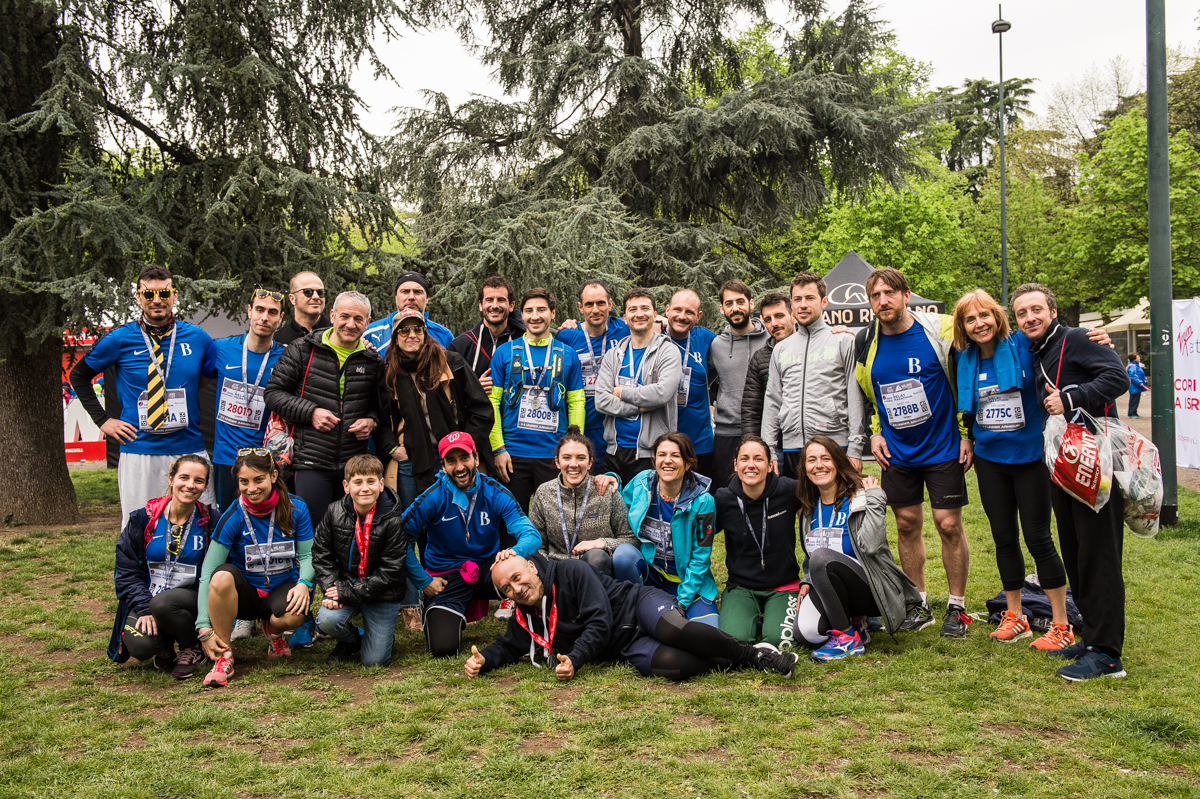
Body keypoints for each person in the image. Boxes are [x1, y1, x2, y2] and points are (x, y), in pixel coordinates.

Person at [1012, 283, 1131, 681]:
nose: (1029, 318)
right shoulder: (1038, 349)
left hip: (1095, 463)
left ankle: (1108, 655)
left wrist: (1072, 397)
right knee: (1077, 552)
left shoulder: (1078, 338)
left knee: (1099, 557)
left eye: (1036, 310)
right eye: (1022, 313)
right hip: (1064, 463)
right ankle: (1093, 637)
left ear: (1053, 311)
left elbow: (1117, 378)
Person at [951, 289, 1074, 652]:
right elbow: (969, 411)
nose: (979, 324)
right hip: (990, 460)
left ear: (998, 316)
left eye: (984, 315)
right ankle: (1015, 616)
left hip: (1031, 458)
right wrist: (967, 438)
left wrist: (1096, 339)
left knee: (1038, 538)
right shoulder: (964, 358)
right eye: (970, 319)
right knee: (1003, 538)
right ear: (963, 326)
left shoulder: (1024, 346)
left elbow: (1065, 344)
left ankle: (1061, 623)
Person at [853, 267, 972, 638]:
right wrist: (874, 433)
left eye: (889, 293)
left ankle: (957, 607)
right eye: (875, 296)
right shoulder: (865, 341)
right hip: (897, 451)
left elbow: (980, 352)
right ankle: (918, 602)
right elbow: (869, 393)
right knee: (906, 524)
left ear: (907, 295)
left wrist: (966, 433)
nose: (883, 301)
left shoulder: (939, 330)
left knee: (948, 524)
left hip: (942, 447)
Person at [465, 552, 800, 681]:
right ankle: (731, 662)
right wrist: (484, 662)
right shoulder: (525, 614)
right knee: (672, 665)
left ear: (533, 569)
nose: (516, 589)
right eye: (506, 589)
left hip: (637, 605)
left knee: (673, 630)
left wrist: (575, 659)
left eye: (518, 578)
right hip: (624, 644)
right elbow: (509, 646)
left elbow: (598, 622)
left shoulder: (571, 571)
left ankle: (754, 655)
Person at [379, 307, 496, 628]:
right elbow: (381, 419)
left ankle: (455, 596)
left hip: (452, 461)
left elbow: (482, 410)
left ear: (426, 332)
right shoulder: (389, 372)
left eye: (418, 329)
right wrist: (393, 447)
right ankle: (410, 603)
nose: (412, 336)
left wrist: (465, 446)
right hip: (411, 463)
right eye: (404, 331)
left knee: (454, 528)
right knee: (408, 530)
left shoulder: (451, 363)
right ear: (395, 336)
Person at [69, 264, 215, 520]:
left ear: (175, 295)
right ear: (138, 297)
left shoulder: (197, 337)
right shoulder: (120, 338)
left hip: (189, 448)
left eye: (164, 293)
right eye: (149, 294)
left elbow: (209, 375)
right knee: (139, 525)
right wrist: (103, 421)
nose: (157, 300)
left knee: (200, 522)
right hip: (140, 450)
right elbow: (78, 376)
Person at [401, 432, 543, 657]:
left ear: (476, 458)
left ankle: (542, 621)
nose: (459, 467)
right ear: (444, 465)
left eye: (464, 458)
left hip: (490, 570)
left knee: (536, 563)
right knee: (443, 648)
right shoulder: (433, 496)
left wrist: (512, 553)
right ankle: (451, 614)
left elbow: (531, 535)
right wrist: (423, 580)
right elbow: (398, 539)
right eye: (451, 461)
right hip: (447, 577)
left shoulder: (494, 491)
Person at [793, 436, 923, 661]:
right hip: (833, 585)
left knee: (822, 558)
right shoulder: (808, 508)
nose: (819, 465)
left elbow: (872, 546)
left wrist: (875, 499)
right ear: (805, 469)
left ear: (838, 462)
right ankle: (856, 624)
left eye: (826, 458)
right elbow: (810, 555)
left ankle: (846, 638)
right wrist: (807, 578)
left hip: (872, 589)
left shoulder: (861, 496)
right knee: (805, 633)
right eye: (811, 460)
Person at [195, 449, 315, 687]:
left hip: (282, 588)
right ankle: (224, 656)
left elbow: (307, 555)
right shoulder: (233, 514)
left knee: (296, 614)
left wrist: (304, 584)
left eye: (258, 479)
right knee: (220, 578)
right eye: (244, 482)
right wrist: (202, 625)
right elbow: (207, 572)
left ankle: (274, 631)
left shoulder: (297, 508)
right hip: (245, 596)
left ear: (273, 475)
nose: (251, 488)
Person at [263, 290, 384, 526]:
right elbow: (273, 394)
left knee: (350, 536)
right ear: (332, 315)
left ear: (367, 322)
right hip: (311, 462)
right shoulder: (302, 349)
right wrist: (310, 412)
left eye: (358, 319)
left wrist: (371, 422)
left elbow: (379, 409)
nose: (351, 324)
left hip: (353, 466)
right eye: (345, 316)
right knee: (311, 535)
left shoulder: (372, 360)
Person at [108, 455, 216, 680]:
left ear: (205, 485)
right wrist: (144, 607)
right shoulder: (143, 519)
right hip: (149, 597)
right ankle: (163, 645)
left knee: (165, 603)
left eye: (199, 480)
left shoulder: (211, 520)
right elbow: (126, 571)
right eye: (184, 477)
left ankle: (191, 648)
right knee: (141, 647)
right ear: (171, 478)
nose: (190, 485)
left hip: (191, 601)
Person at [488, 287, 585, 511]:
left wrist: (570, 451)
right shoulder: (505, 352)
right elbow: (492, 403)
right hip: (512, 454)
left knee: (556, 524)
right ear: (521, 315)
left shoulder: (568, 354)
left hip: (552, 454)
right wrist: (498, 449)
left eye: (542, 310)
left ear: (553, 313)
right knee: (511, 525)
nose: (535, 316)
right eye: (529, 310)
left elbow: (577, 402)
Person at [762, 272, 866, 478]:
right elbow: (773, 400)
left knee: (835, 506)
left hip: (834, 444)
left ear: (824, 301)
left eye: (810, 298)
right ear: (791, 304)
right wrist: (769, 449)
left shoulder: (843, 341)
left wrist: (855, 448)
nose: (803, 305)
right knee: (800, 508)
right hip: (792, 447)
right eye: (797, 299)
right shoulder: (781, 349)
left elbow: (855, 398)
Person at [612, 432, 719, 626]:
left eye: (675, 455)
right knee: (623, 555)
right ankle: (635, 606)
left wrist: (682, 601)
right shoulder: (642, 483)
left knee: (707, 633)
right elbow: (619, 504)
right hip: (651, 574)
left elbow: (701, 558)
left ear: (688, 463)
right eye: (662, 455)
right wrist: (611, 479)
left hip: (687, 582)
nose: (667, 461)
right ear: (654, 460)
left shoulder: (704, 502)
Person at [313, 455, 409, 667]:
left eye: (371, 481)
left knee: (374, 661)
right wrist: (331, 588)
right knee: (327, 620)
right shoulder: (333, 512)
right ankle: (352, 640)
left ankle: (379, 640)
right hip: (346, 585)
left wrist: (346, 591)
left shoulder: (393, 519)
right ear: (346, 486)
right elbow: (321, 554)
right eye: (358, 482)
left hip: (383, 594)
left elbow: (391, 571)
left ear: (381, 484)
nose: (364, 488)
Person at [714, 436, 802, 650]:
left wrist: (862, 484)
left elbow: (826, 488)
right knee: (735, 643)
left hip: (784, 585)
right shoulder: (723, 499)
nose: (751, 465)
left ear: (770, 465)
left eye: (758, 459)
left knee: (777, 642)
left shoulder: (789, 490)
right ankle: (750, 617)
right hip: (741, 586)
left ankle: (771, 618)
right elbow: (698, 530)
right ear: (736, 464)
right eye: (744, 459)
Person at [203, 288, 287, 512]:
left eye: (272, 312)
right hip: (226, 455)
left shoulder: (286, 357)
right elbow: (201, 379)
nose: (264, 317)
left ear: (281, 318)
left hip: (265, 457)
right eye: (259, 310)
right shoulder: (221, 349)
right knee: (228, 518)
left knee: (264, 518)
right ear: (249, 311)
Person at [594, 289, 684, 486]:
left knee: (645, 514)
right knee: (608, 514)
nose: (639, 313)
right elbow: (601, 400)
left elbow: (661, 394)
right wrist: (640, 407)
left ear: (655, 314)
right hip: (614, 452)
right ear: (625, 318)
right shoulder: (613, 354)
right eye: (632, 309)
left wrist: (622, 393)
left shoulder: (668, 351)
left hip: (652, 454)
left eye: (645, 308)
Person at [527, 426, 637, 578]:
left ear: (590, 463)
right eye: (566, 457)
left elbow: (631, 540)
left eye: (580, 458)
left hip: (596, 570)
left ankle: (601, 601)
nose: (573, 464)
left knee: (596, 556)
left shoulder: (606, 491)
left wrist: (602, 543)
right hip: (556, 570)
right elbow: (537, 544)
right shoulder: (544, 493)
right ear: (557, 462)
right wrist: (548, 570)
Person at [555, 280, 631, 470]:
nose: (595, 310)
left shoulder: (624, 330)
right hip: (583, 428)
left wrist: (661, 320)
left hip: (616, 427)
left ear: (610, 304)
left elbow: (650, 324)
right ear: (580, 307)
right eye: (589, 304)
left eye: (600, 303)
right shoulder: (567, 336)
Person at [708, 280, 770, 490]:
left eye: (740, 302)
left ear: (751, 304)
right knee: (725, 492)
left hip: (763, 429)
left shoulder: (771, 340)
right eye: (729, 303)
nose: (735, 308)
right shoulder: (716, 345)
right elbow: (704, 381)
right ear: (722, 308)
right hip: (726, 432)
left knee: (762, 492)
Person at [663, 289, 717, 479]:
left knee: (699, 502)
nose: (682, 316)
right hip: (664, 443)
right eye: (677, 310)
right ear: (667, 310)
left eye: (689, 312)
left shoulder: (705, 338)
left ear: (698, 316)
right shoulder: (653, 336)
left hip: (700, 442)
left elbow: (736, 341)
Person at [447, 275, 525, 388]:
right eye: (489, 300)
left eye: (501, 300)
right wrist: (474, 389)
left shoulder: (524, 342)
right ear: (480, 305)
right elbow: (449, 391)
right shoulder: (460, 346)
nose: (494, 305)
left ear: (511, 305)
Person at [739, 292, 795, 449]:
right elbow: (751, 408)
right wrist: (753, 446)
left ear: (793, 316)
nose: (774, 323)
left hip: (811, 441)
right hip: (775, 444)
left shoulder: (811, 349)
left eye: (779, 316)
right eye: (768, 320)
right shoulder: (760, 358)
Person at [364, 271, 455, 354]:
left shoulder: (444, 335)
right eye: (405, 291)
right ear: (396, 297)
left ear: (427, 298)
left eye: (417, 292)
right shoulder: (370, 333)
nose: (411, 297)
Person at [275, 271, 331, 346]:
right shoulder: (278, 340)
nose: (316, 297)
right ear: (292, 299)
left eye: (320, 292)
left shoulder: (337, 333)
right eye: (308, 292)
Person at [1126, 353, 1148, 418]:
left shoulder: (1135, 366)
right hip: (1134, 386)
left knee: (1136, 399)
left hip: (1136, 386)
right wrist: (1139, 383)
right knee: (1134, 399)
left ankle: (1134, 412)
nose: (1139, 358)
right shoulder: (1133, 366)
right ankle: (1131, 413)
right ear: (1134, 359)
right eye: (1138, 357)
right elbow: (1132, 375)